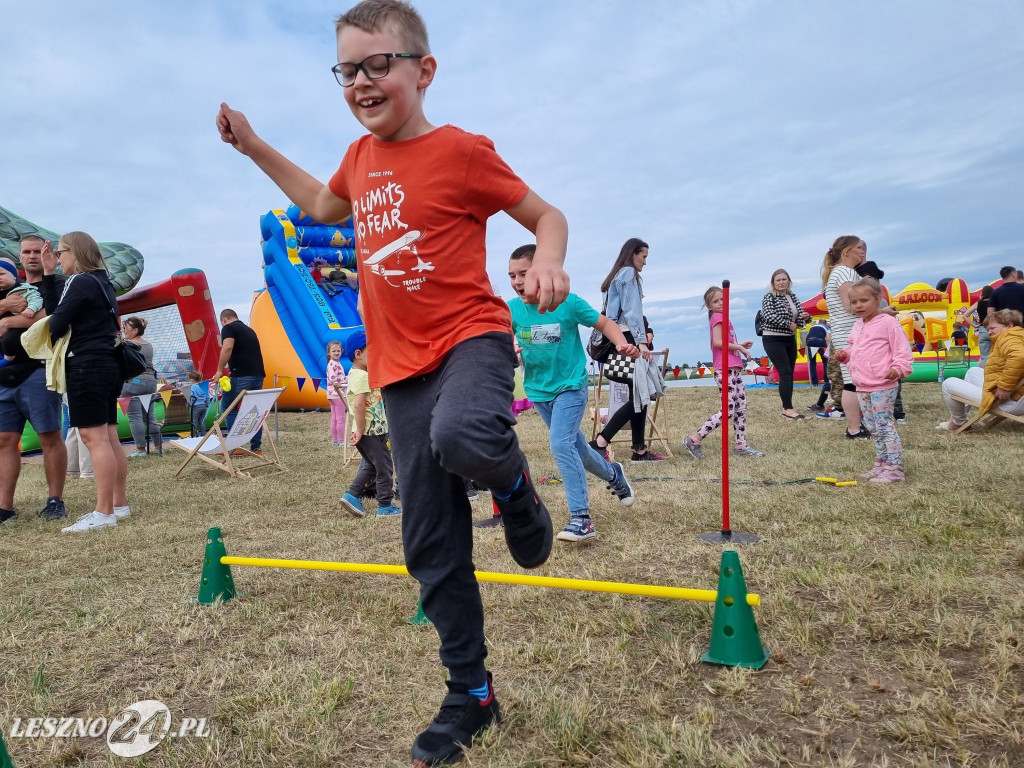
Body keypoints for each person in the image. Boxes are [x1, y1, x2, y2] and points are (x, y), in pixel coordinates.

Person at [216, 2, 570, 763]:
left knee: (466, 434)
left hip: (470, 338)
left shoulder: (463, 151)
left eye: (380, 64)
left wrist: (546, 258)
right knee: (427, 540)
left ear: (423, 70)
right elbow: (318, 204)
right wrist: (252, 146)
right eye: (349, 68)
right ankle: (469, 694)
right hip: (399, 365)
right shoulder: (357, 158)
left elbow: (547, 215)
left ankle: (516, 493)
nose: (363, 81)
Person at [506, 245, 637, 543]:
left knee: (561, 445)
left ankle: (582, 518)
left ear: (542, 272)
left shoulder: (568, 303)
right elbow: (501, 336)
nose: (517, 281)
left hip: (570, 387)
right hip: (539, 392)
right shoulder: (511, 309)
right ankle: (614, 475)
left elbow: (605, 323)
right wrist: (507, 348)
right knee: (577, 447)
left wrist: (620, 344)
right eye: (512, 275)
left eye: (523, 274)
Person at [38, 233, 130, 532]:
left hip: (86, 364)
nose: (58, 258)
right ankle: (118, 504)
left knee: (95, 439)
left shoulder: (80, 281)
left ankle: (103, 513)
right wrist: (51, 272)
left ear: (74, 253)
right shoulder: (102, 281)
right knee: (110, 435)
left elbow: (55, 321)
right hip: (108, 362)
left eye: (60, 253)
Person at [0, 236, 68, 525]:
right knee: (4, 441)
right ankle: (4, 507)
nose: (31, 257)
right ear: (19, 258)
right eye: (25, 252)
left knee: (49, 436)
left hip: (40, 371)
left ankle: (55, 500)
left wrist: (7, 320)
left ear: (47, 254)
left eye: (36, 251)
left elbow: (52, 317)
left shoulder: (58, 284)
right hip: (4, 377)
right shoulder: (9, 291)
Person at [588, 238, 663, 462]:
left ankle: (639, 450)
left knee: (639, 394)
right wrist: (641, 342)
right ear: (633, 254)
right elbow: (632, 312)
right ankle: (600, 442)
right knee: (643, 393)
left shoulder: (614, 276)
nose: (645, 262)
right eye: (644, 256)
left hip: (615, 336)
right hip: (628, 337)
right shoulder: (629, 274)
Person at [833, 279, 913, 483]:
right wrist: (846, 355)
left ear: (878, 299)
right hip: (862, 385)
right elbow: (857, 350)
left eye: (863, 300)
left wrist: (898, 368)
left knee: (885, 425)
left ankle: (895, 468)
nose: (858, 305)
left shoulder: (888, 323)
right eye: (854, 302)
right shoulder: (858, 325)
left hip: (882, 384)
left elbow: (902, 350)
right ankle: (882, 463)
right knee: (872, 426)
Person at [682, 286, 763, 459]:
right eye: (715, 301)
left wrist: (739, 344)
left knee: (741, 407)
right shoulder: (717, 318)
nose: (720, 303)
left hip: (734, 368)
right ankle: (694, 439)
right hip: (724, 370)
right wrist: (739, 347)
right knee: (728, 410)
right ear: (709, 305)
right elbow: (718, 342)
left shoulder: (725, 318)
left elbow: (726, 343)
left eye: (722, 299)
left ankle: (741, 446)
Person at [339, 332, 400, 517]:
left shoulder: (359, 373)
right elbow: (358, 404)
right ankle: (385, 506)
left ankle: (352, 495)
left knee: (371, 465)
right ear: (358, 354)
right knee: (385, 467)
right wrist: (359, 429)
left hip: (367, 431)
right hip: (372, 431)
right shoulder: (361, 376)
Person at [818, 236, 872, 439]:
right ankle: (854, 429)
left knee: (853, 381)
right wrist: (880, 311)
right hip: (850, 332)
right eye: (859, 248)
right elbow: (851, 306)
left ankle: (856, 426)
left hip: (844, 333)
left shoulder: (838, 272)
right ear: (847, 251)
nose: (862, 251)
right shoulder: (845, 272)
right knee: (853, 382)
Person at [936, 309, 1024, 430]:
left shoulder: (1008, 338)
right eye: (988, 329)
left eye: (993, 328)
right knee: (972, 372)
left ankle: (958, 422)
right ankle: (959, 417)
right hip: (1017, 397)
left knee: (948, 384)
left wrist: (1004, 387)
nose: (989, 332)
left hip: (1009, 401)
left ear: (1009, 325)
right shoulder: (1019, 336)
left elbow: (1019, 357)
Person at [759, 268, 811, 419]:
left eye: (784, 279)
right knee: (785, 372)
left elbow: (800, 316)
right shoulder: (769, 297)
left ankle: (787, 408)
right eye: (778, 280)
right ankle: (788, 409)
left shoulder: (792, 296)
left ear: (789, 281)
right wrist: (788, 324)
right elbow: (768, 315)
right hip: (773, 338)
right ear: (773, 283)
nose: (782, 282)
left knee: (789, 373)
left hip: (789, 338)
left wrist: (807, 318)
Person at [216, 308, 265, 455]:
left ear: (224, 319)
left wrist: (219, 370)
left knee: (229, 408)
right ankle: (256, 448)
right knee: (254, 411)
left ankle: (234, 446)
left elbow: (227, 347)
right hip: (258, 375)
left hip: (241, 375)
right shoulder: (250, 330)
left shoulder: (228, 328)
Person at [119, 316, 163, 457]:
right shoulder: (148, 345)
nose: (124, 331)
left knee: (134, 417)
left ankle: (140, 449)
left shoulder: (128, 344)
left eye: (125, 328)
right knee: (150, 417)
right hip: (150, 383)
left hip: (134, 383)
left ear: (135, 330)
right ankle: (158, 446)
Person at [0, 258, 43, 367]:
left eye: (2, 274)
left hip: (19, 330)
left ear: (14, 275)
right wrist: (5, 305)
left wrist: (31, 308)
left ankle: (8, 359)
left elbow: (38, 301)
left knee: (9, 340)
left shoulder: (23, 288)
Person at [325, 340, 349, 446]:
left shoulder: (335, 363)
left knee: (334, 418)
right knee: (340, 419)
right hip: (337, 394)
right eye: (333, 351)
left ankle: (335, 441)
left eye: (338, 351)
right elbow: (333, 378)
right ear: (329, 352)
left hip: (331, 394)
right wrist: (346, 380)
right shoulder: (332, 364)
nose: (336, 353)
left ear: (341, 351)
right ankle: (342, 441)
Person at [804, 319, 829, 391]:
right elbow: (828, 338)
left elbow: (806, 337)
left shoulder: (813, 327)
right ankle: (827, 381)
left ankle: (814, 383)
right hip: (821, 342)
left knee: (812, 363)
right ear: (826, 323)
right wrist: (828, 348)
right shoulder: (826, 327)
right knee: (825, 361)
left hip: (810, 342)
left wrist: (806, 347)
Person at [187, 370, 210, 437]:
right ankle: (204, 434)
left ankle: (193, 435)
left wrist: (190, 404)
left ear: (191, 380)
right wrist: (206, 404)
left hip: (196, 406)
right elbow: (207, 396)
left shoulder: (192, 387)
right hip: (203, 405)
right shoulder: (202, 386)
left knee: (194, 421)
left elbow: (192, 396)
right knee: (202, 421)